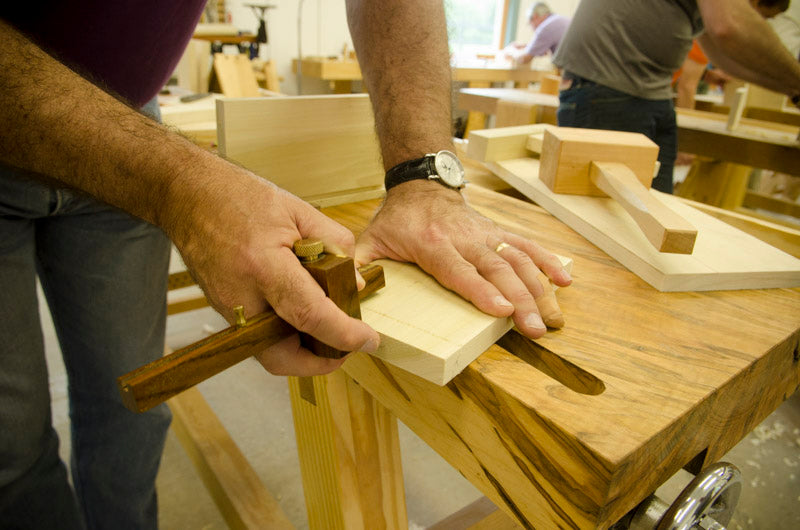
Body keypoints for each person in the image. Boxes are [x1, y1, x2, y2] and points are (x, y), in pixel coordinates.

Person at [0, 0, 571, 527]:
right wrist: (183, 185)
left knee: (127, 416)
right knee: (11, 443)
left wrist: (423, 176)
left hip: (127, 117)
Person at [553, 0, 800, 193]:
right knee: (606, 219)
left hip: (651, 94)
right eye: (762, 18)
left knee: (657, 217)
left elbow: (721, 55)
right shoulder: (725, 15)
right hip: (607, 87)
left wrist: (793, 89)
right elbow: (729, 26)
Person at [505, 2, 570, 66]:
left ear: (535, 16)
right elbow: (543, 47)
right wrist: (526, 46)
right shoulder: (559, 20)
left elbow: (524, 58)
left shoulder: (545, 27)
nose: (532, 29)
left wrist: (511, 51)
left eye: (530, 24)